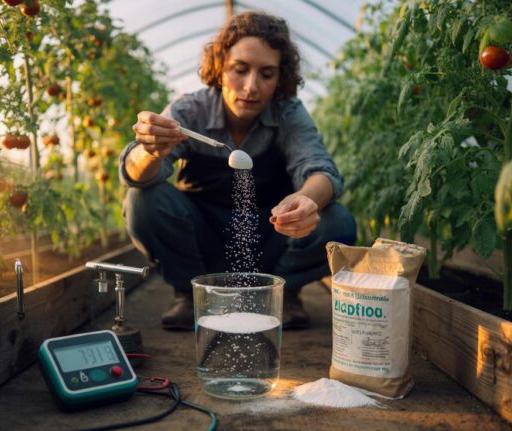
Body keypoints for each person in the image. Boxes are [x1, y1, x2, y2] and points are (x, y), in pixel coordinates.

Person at [119, 11, 356, 330]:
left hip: (270, 241)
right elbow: (135, 175)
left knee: (337, 221)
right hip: (202, 243)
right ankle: (193, 295)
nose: (251, 86)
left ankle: (279, 294)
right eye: (239, 70)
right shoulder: (191, 110)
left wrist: (306, 199)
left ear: (280, 78)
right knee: (142, 202)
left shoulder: (288, 113)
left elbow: (321, 170)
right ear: (220, 68)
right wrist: (150, 151)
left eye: (267, 74)